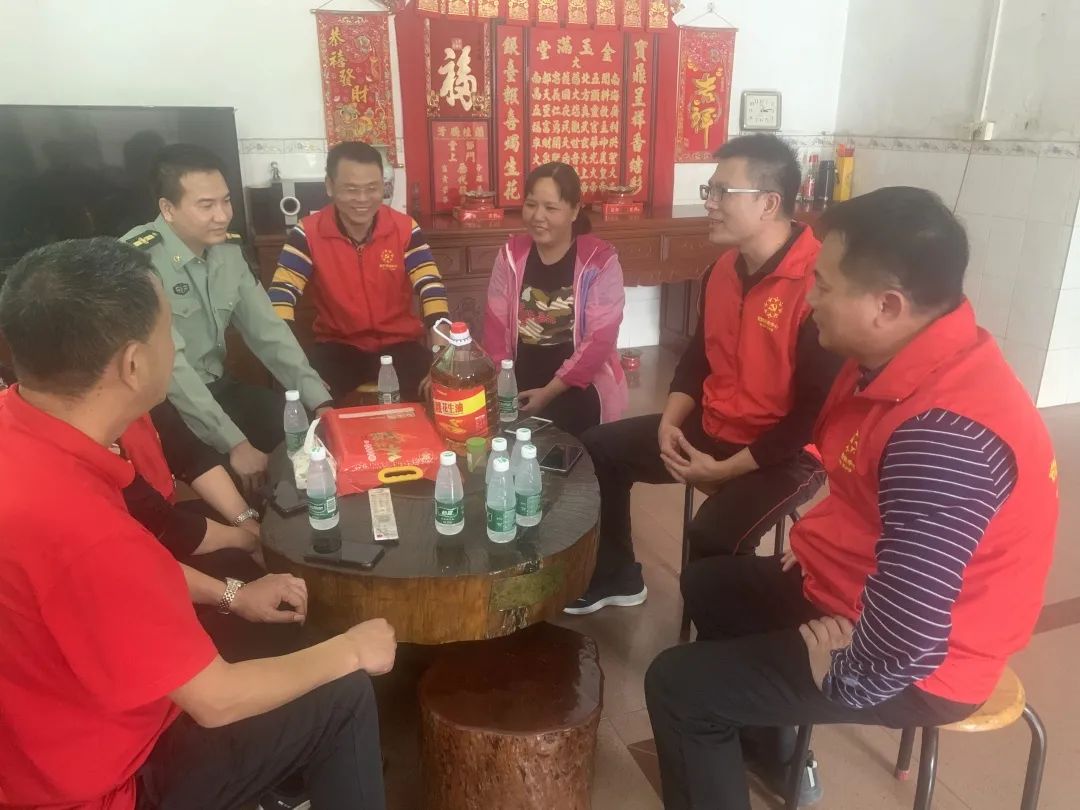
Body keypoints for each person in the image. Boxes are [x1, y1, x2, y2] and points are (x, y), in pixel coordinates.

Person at [644, 187, 1060, 810]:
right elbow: (860, 477)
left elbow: (910, 637)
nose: (810, 301)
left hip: (926, 659)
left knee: (679, 686)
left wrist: (846, 677)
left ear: (887, 305)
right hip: (869, 592)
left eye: (824, 286)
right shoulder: (898, 356)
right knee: (711, 585)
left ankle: (734, 732)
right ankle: (775, 754)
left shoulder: (943, 437)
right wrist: (824, 547)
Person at [0, 237, 395, 810]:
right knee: (344, 691)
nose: (177, 345)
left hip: (38, 745)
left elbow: (120, 583)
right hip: (109, 783)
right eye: (169, 331)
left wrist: (234, 595)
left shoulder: (24, 433)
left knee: (267, 632)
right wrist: (354, 649)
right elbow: (216, 700)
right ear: (133, 364)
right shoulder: (85, 530)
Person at [567, 134, 842, 615]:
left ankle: (721, 641)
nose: (709, 204)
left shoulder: (818, 284)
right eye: (709, 191)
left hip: (786, 453)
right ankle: (617, 575)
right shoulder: (722, 270)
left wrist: (725, 471)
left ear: (768, 203)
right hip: (716, 427)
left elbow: (811, 416)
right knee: (599, 448)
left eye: (721, 192)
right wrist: (669, 423)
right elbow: (698, 358)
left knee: (712, 536)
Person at [121, 143, 333, 494]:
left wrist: (319, 400)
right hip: (163, 402)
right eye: (206, 205)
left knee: (301, 429)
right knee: (228, 469)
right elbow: (173, 370)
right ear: (168, 208)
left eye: (226, 201)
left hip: (219, 386)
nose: (222, 216)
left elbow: (268, 331)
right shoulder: (136, 262)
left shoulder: (228, 251)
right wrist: (234, 442)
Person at [268, 141, 449, 402]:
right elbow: (281, 297)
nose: (363, 199)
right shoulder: (307, 233)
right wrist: (294, 365)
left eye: (372, 188)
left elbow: (430, 287)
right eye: (351, 189)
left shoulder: (404, 228)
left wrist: (441, 354)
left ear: (383, 187)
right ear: (330, 186)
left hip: (400, 344)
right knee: (302, 396)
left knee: (443, 391)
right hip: (338, 347)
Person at [481, 162, 628, 437]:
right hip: (519, 378)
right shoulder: (510, 255)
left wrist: (548, 393)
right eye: (530, 205)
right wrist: (505, 384)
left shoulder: (600, 262)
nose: (538, 216)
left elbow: (599, 341)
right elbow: (495, 326)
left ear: (574, 210)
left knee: (559, 436)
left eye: (550, 208)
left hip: (578, 384)